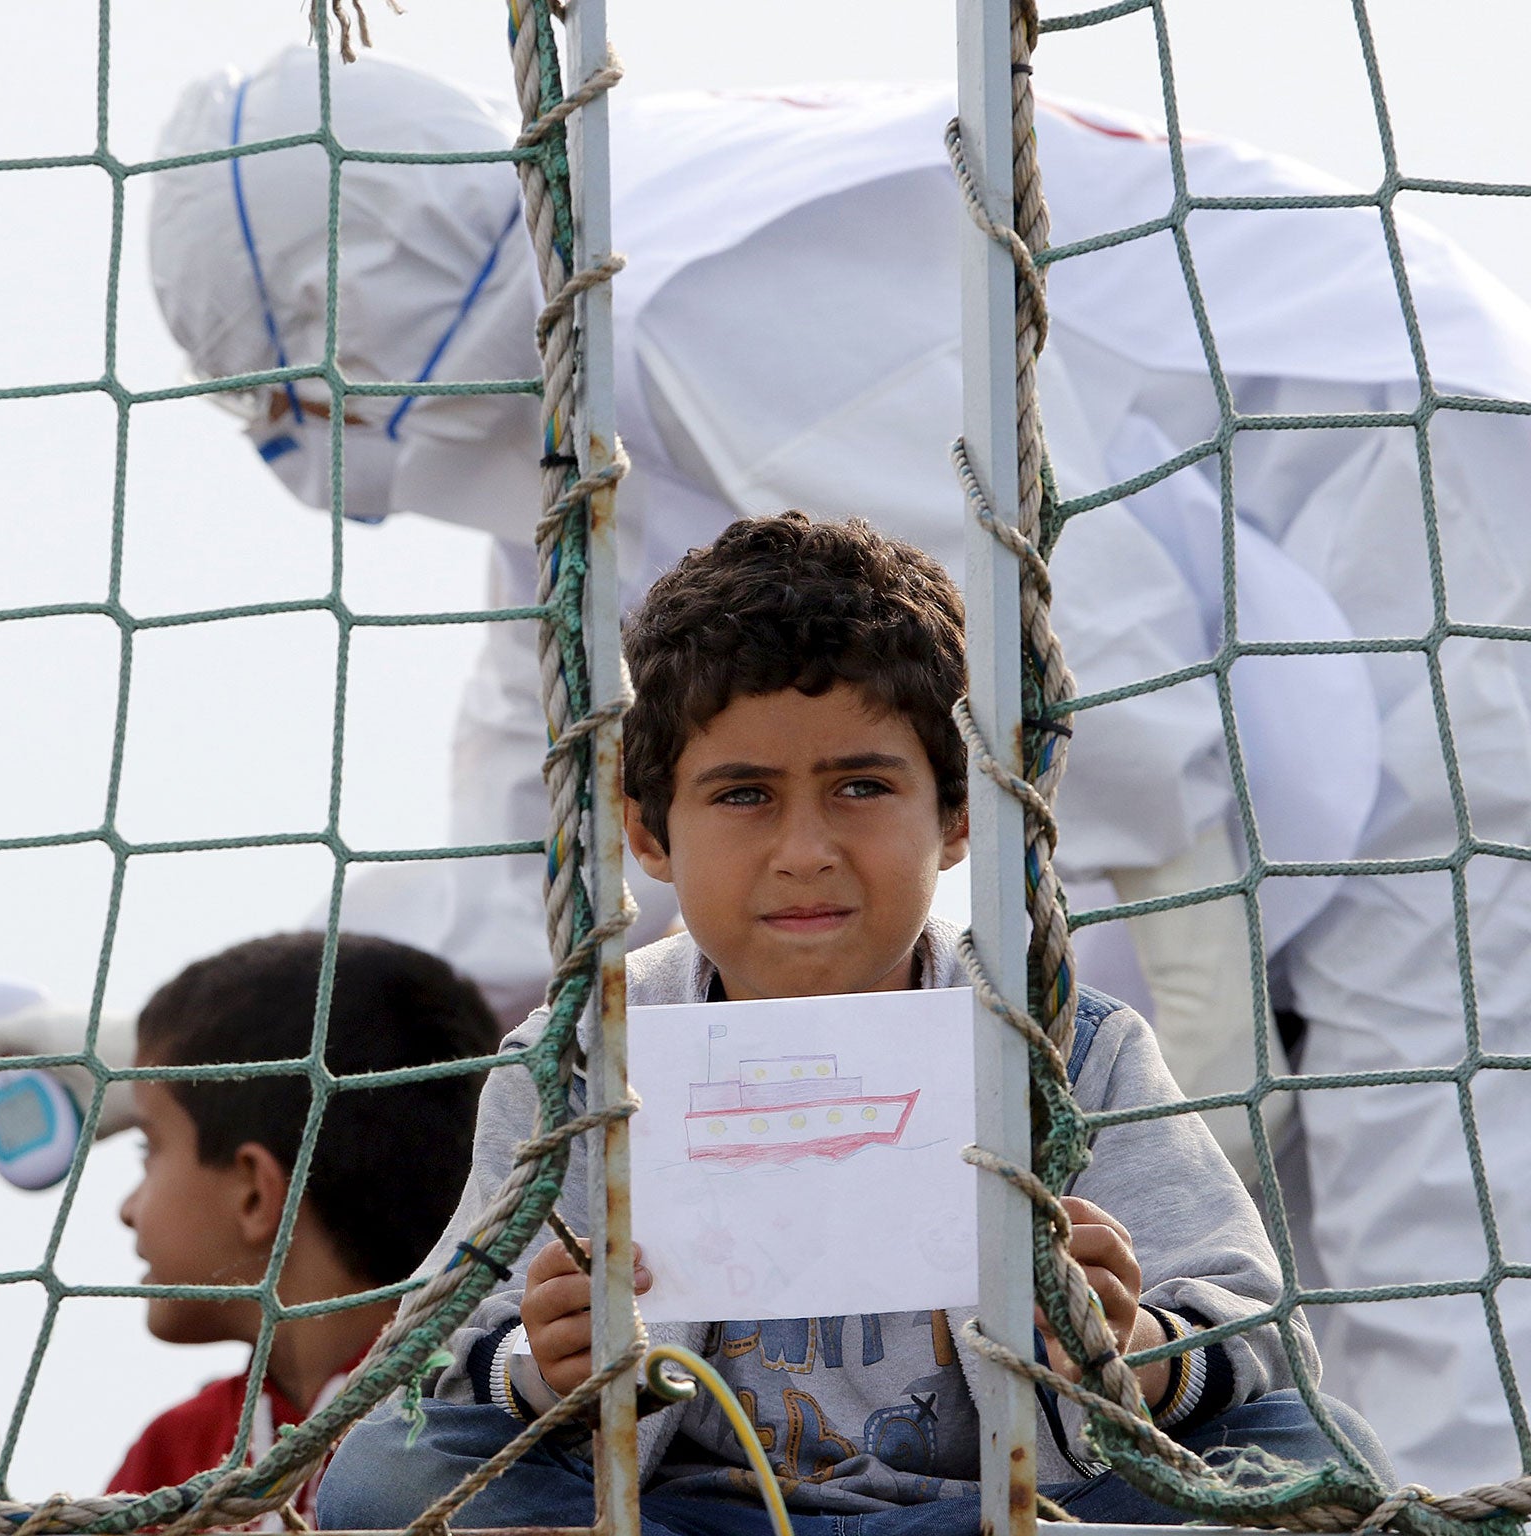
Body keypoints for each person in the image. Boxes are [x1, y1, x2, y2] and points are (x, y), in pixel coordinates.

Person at [150, 52, 1531, 1485]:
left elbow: (1108, 681)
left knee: (1456, 1252)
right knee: (1262, 1305)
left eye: (324, 415)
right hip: (1250, 679)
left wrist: (1203, 1088)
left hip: (1431, 567)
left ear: (366, 349)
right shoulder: (581, 432)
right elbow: (524, 891)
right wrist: (149, 1058)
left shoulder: (700, 290)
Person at [316, 512, 1387, 1530]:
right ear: (647, 832)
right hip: (691, 1512)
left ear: (956, 815)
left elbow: (1242, 1316)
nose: (804, 851)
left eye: (860, 787)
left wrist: (1134, 1346)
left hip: (1021, 1508)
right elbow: (453, 1342)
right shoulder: (578, 1062)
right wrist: (538, 1362)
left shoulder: (1070, 1047)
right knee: (380, 1475)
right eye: (742, 795)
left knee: (1319, 1455)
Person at [105, 930, 495, 1521]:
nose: (127, 1208)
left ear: (254, 1192)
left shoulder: (478, 1405)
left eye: (149, 1147)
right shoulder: (171, 1457)